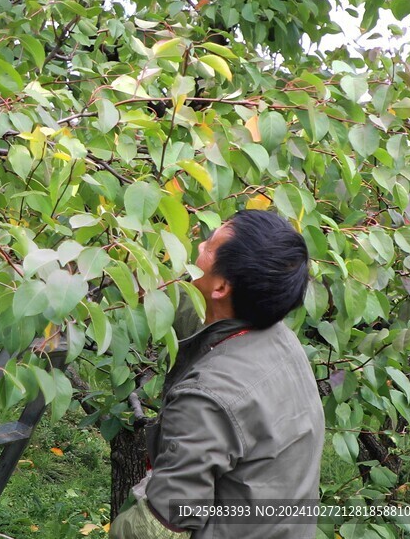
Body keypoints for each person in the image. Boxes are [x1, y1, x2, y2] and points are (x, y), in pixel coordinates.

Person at [110, 210, 324, 538]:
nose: (198, 246)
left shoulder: (208, 398)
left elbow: (160, 526)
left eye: (209, 246)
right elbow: (195, 314)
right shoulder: (276, 335)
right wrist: (132, 275)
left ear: (222, 286)